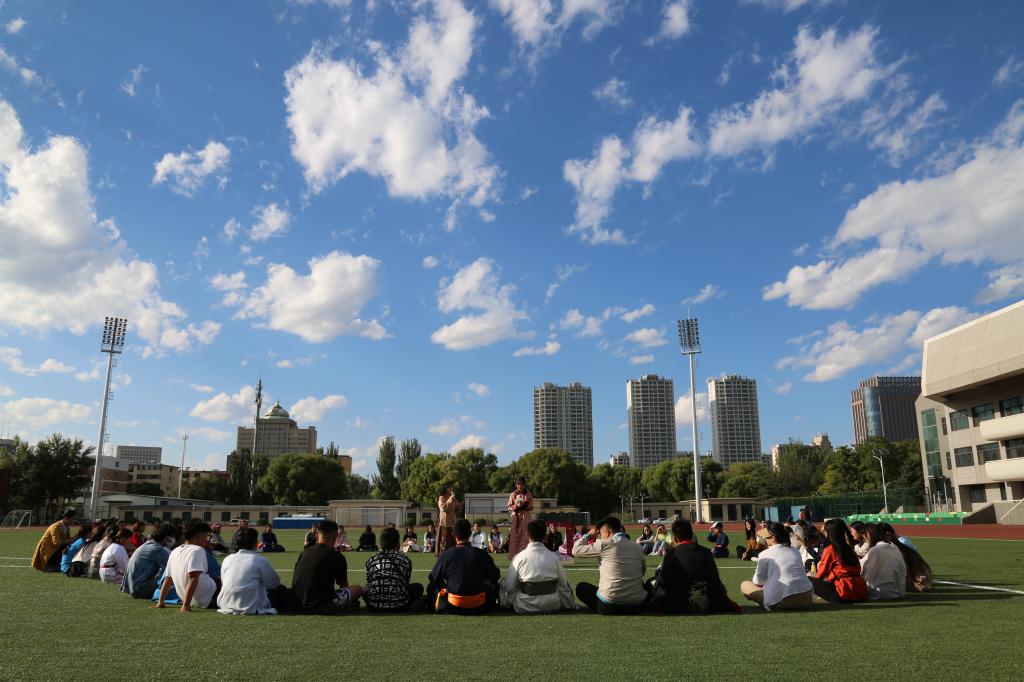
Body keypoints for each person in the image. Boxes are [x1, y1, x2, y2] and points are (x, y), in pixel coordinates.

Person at [650, 520, 741, 614]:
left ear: (675, 539)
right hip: (706, 603)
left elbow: (665, 582)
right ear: (691, 535)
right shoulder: (706, 553)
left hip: (679, 605)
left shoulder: (671, 555)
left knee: (653, 582)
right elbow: (715, 581)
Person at [572, 516, 647, 615]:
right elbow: (642, 572)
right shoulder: (638, 547)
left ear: (607, 533)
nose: (599, 537)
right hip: (636, 606)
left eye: (600, 534)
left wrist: (588, 535)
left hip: (609, 606)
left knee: (581, 588)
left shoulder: (604, 544)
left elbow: (575, 550)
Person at [500, 519, 576, 614]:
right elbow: (563, 585)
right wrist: (569, 605)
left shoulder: (519, 557)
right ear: (545, 536)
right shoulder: (553, 557)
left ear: (527, 534)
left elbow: (509, 587)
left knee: (504, 582)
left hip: (525, 605)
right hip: (552, 604)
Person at [291, 519, 364, 614]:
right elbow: (343, 586)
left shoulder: (304, 553)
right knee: (358, 589)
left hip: (296, 604)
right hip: (321, 605)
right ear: (336, 536)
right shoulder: (337, 556)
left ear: (317, 535)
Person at [428, 518, 500, 614]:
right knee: (494, 586)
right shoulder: (482, 554)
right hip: (480, 605)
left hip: (452, 605)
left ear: (453, 534)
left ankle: (433, 605)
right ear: (470, 534)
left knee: (431, 586)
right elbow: (495, 576)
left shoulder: (446, 554)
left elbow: (433, 578)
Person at [740, 522, 814, 611]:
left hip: (780, 602)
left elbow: (757, 581)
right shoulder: (795, 551)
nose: (765, 538)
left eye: (767, 537)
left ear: (773, 538)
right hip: (806, 600)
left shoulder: (764, 554)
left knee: (744, 585)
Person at [217, 526, 287, 615]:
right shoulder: (260, 560)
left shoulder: (227, 559)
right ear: (255, 543)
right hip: (250, 605)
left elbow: (223, 582)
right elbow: (273, 584)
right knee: (281, 590)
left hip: (225, 603)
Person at [155, 520, 218, 612]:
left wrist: (160, 601)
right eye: (206, 536)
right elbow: (193, 577)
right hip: (207, 598)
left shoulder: (175, 551)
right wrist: (185, 606)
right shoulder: (198, 550)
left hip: (191, 600)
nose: (207, 539)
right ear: (199, 536)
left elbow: (168, 579)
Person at [364, 527, 424, 611]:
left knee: (366, 586)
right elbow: (405, 582)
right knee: (418, 587)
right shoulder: (405, 560)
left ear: (380, 544)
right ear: (398, 544)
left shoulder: (371, 560)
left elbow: (369, 582)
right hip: (400, 605)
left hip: (374, 605)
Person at [809, 519, 868, 603]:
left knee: (808, 580)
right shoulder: (849, 548)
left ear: (830, 533)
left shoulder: (830, 549)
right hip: (860, 590)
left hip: (843, 591)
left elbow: (820, 574)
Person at [122, 524, 180, 598]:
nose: (174, 540)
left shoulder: (148, 544)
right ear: (166, 538)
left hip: (131, 588)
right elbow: (170, 571)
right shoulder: (158, 550)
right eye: (173, 537)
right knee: (172, 578)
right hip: (139, 589)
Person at [878, 522, 933, 592]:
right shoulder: (900, 541)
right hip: (916, 570)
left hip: (913, 570)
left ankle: (915, 581)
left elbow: (909, 561)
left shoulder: (901, 542)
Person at [859, 523, 907, 600]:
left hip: (879, 593)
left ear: (867, 535)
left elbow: (860, 568)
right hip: (898, 591)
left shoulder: (875, 550)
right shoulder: (894, 547)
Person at [506, 477, 533, 560]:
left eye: (521, 484)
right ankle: (514, 556)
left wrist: (525, 505)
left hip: (525, 517)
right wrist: (516, 506)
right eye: (518, 484)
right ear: (516, 485)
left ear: (524, 485)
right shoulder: (513, 494)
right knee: (515, 536)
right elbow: (509, 507)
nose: (520, 486)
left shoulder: (528, 494)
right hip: (516, 517)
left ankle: (525, 556)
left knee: (525, 536)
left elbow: (531, 507)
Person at [437, 485, 462, 557]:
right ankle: (443, 555)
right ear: (445, 489)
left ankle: (454, 553)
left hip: (453, 523)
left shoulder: (453, 498)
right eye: (449, 488)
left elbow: (456, 510)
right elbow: (443, 508)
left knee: (453, 540)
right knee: (445, 541)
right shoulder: (442, 498)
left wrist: (460, 506)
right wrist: (451, 498)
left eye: (451, 488)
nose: (451, 489)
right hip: (445, 523)